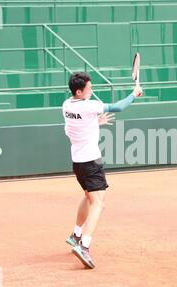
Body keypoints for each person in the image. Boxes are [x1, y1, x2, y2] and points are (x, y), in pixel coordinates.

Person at [62, 72, 143, 269]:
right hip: (91, 162)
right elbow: (119, 107)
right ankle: (84, 246)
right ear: (79, 91)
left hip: (77, 163)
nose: (92, 91)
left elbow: (73, 127)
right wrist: (134, 93)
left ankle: (76, 234)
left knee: (88, 197)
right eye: (89, 88)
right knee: (98, 203)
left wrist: (94, 123)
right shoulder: (89, 106)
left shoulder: (66, 104)